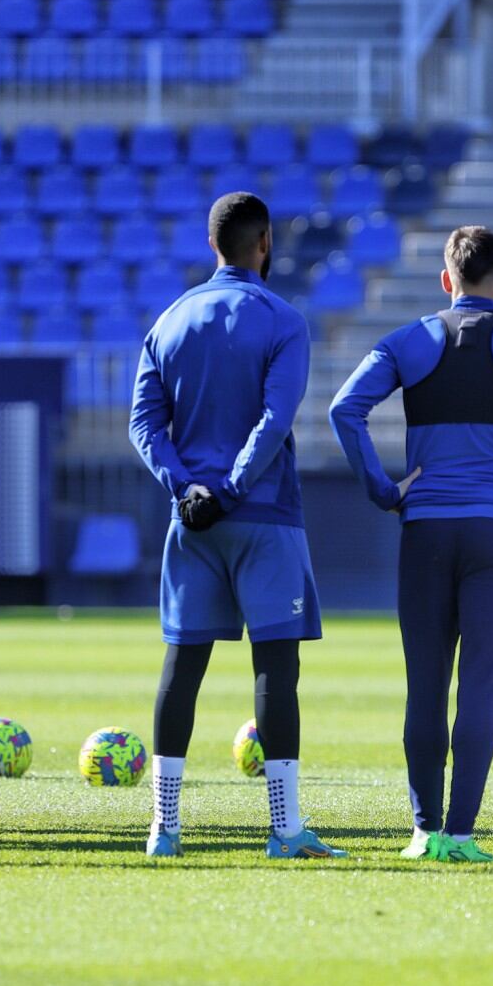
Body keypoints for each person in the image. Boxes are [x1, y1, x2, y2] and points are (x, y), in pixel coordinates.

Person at [329, 226, 493, 862]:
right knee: (478, 688)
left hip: (425, 527)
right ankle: (461, 833)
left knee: (425, 685)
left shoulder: (411, 339)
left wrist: (384, 490)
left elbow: (345, 409)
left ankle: (423, 832)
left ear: (447, 279)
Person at [129, 192, 342, 861]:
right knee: (276, 666)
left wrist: (186, 486)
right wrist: (232, 488)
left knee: (182, 664)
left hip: (191, 522)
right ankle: (285, 830)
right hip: (264, 515)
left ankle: (164, 828)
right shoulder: (282, 320)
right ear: (265, 242)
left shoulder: (170, 320)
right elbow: (274, 421)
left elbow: (143, 425)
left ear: (211, 242)